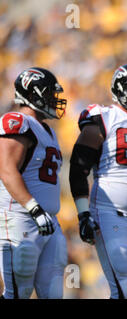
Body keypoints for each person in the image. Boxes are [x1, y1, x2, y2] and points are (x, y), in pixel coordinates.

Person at [69, 63, 127, 299]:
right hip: (110, 214)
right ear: (120, 91)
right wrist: (83, 214)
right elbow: (78, 167)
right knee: (124, 289)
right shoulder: (104, 118)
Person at [0, 67, 68, 298]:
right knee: (19, 291)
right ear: (32, 94)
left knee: (53, 292)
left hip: (48, 221)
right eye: (49, 94)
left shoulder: (47, 130)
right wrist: (34, 209)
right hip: (21, 218)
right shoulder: (18, 121)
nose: (54, 99)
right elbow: (7, 170)